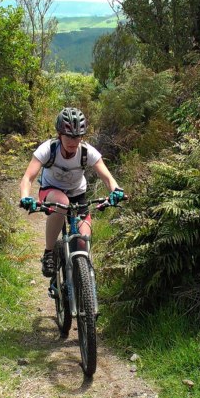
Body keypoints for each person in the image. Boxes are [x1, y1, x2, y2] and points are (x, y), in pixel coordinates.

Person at [18, 107, 124, 277]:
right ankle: (49, 253)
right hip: (51, 191)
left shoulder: (86, 151)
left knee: (84, 242)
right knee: (62, 202)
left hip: (77, 194)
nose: (73, 141)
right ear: (60, 134)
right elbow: (28, 178)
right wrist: (25, 197)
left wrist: (116, 190)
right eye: (68, 136)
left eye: (77, 136)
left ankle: (80, 283)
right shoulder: (48, 149)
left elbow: (107, 177)